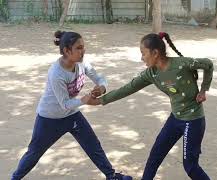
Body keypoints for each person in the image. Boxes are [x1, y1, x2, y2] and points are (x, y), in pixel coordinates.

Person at [87, 32, 213, 179]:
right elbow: (128, 88)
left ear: (155, 53)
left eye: (143, 53)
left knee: (190, 166)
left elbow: (208, 64)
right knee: (155, 156)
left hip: (193, 120)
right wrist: (101, 100)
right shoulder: (151, 73)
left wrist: (204, 89)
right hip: (175, 118)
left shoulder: (182, 64)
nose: (141, 58)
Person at [11, 31, 132, 180]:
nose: (83, 51)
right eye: (79, 48)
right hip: (50, 119)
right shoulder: (56, 73)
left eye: (83, 47)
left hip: (72, 114)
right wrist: (84, 100)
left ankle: (112, 176)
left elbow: (100, 78)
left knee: (93, 145)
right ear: (67, 51)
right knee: (34, 153)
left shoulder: (82, 63)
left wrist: (101, 87)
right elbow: (65, 104)